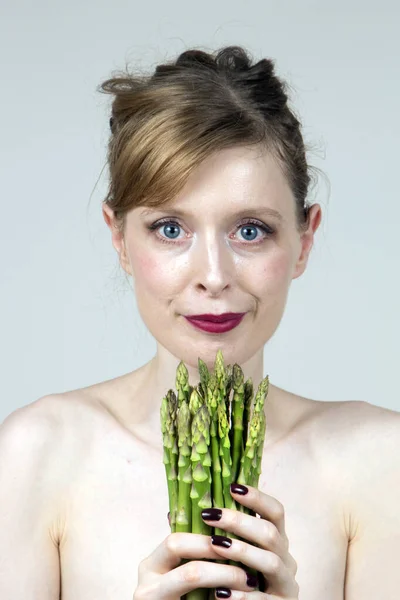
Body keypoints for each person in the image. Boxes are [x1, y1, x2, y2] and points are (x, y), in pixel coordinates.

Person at [0, 45, 399, 600]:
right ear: (119, 238)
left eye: (251, 230)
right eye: (169, 229)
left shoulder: (383, 461)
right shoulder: (35, 455)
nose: (214, 276)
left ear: (305, 240)